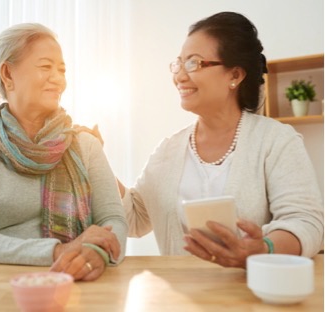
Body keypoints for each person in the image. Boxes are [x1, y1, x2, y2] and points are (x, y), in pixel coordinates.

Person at [119, 12, 323, 268]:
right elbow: (136, 219)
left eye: (193, 63)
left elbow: (306, 222)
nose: (180, 76)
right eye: (179, 63)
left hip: (253, 300)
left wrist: (264, 248)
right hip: (179, 302)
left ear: (234, 76)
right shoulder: (168, 149)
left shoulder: (276, 141)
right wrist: (94, 156)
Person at [0, 23, 128, 281]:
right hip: (0, 285)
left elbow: (114, 220)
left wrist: (95, 252)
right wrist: (58, 251)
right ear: (8, 74)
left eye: (62, 70)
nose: (58, 79)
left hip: (76, 281)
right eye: (46, 67)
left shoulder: (86, 146)